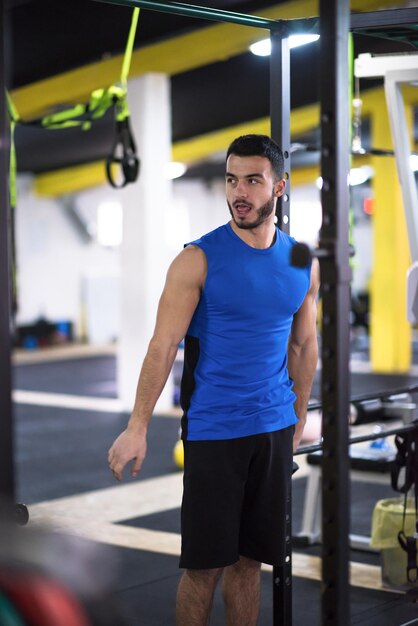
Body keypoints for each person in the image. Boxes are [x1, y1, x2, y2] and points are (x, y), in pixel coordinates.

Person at [108, 134, 320, 626]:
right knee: (205, 569)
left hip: (271, 429)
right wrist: (137, 427)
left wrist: (297, 416)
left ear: (279, 187)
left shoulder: (298, 260)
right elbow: (162, 347)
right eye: (231, 179)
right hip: (214, 431)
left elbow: (303, 345)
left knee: (249, 564)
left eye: (252, 180)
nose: (239, 192)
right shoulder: (196, 259)